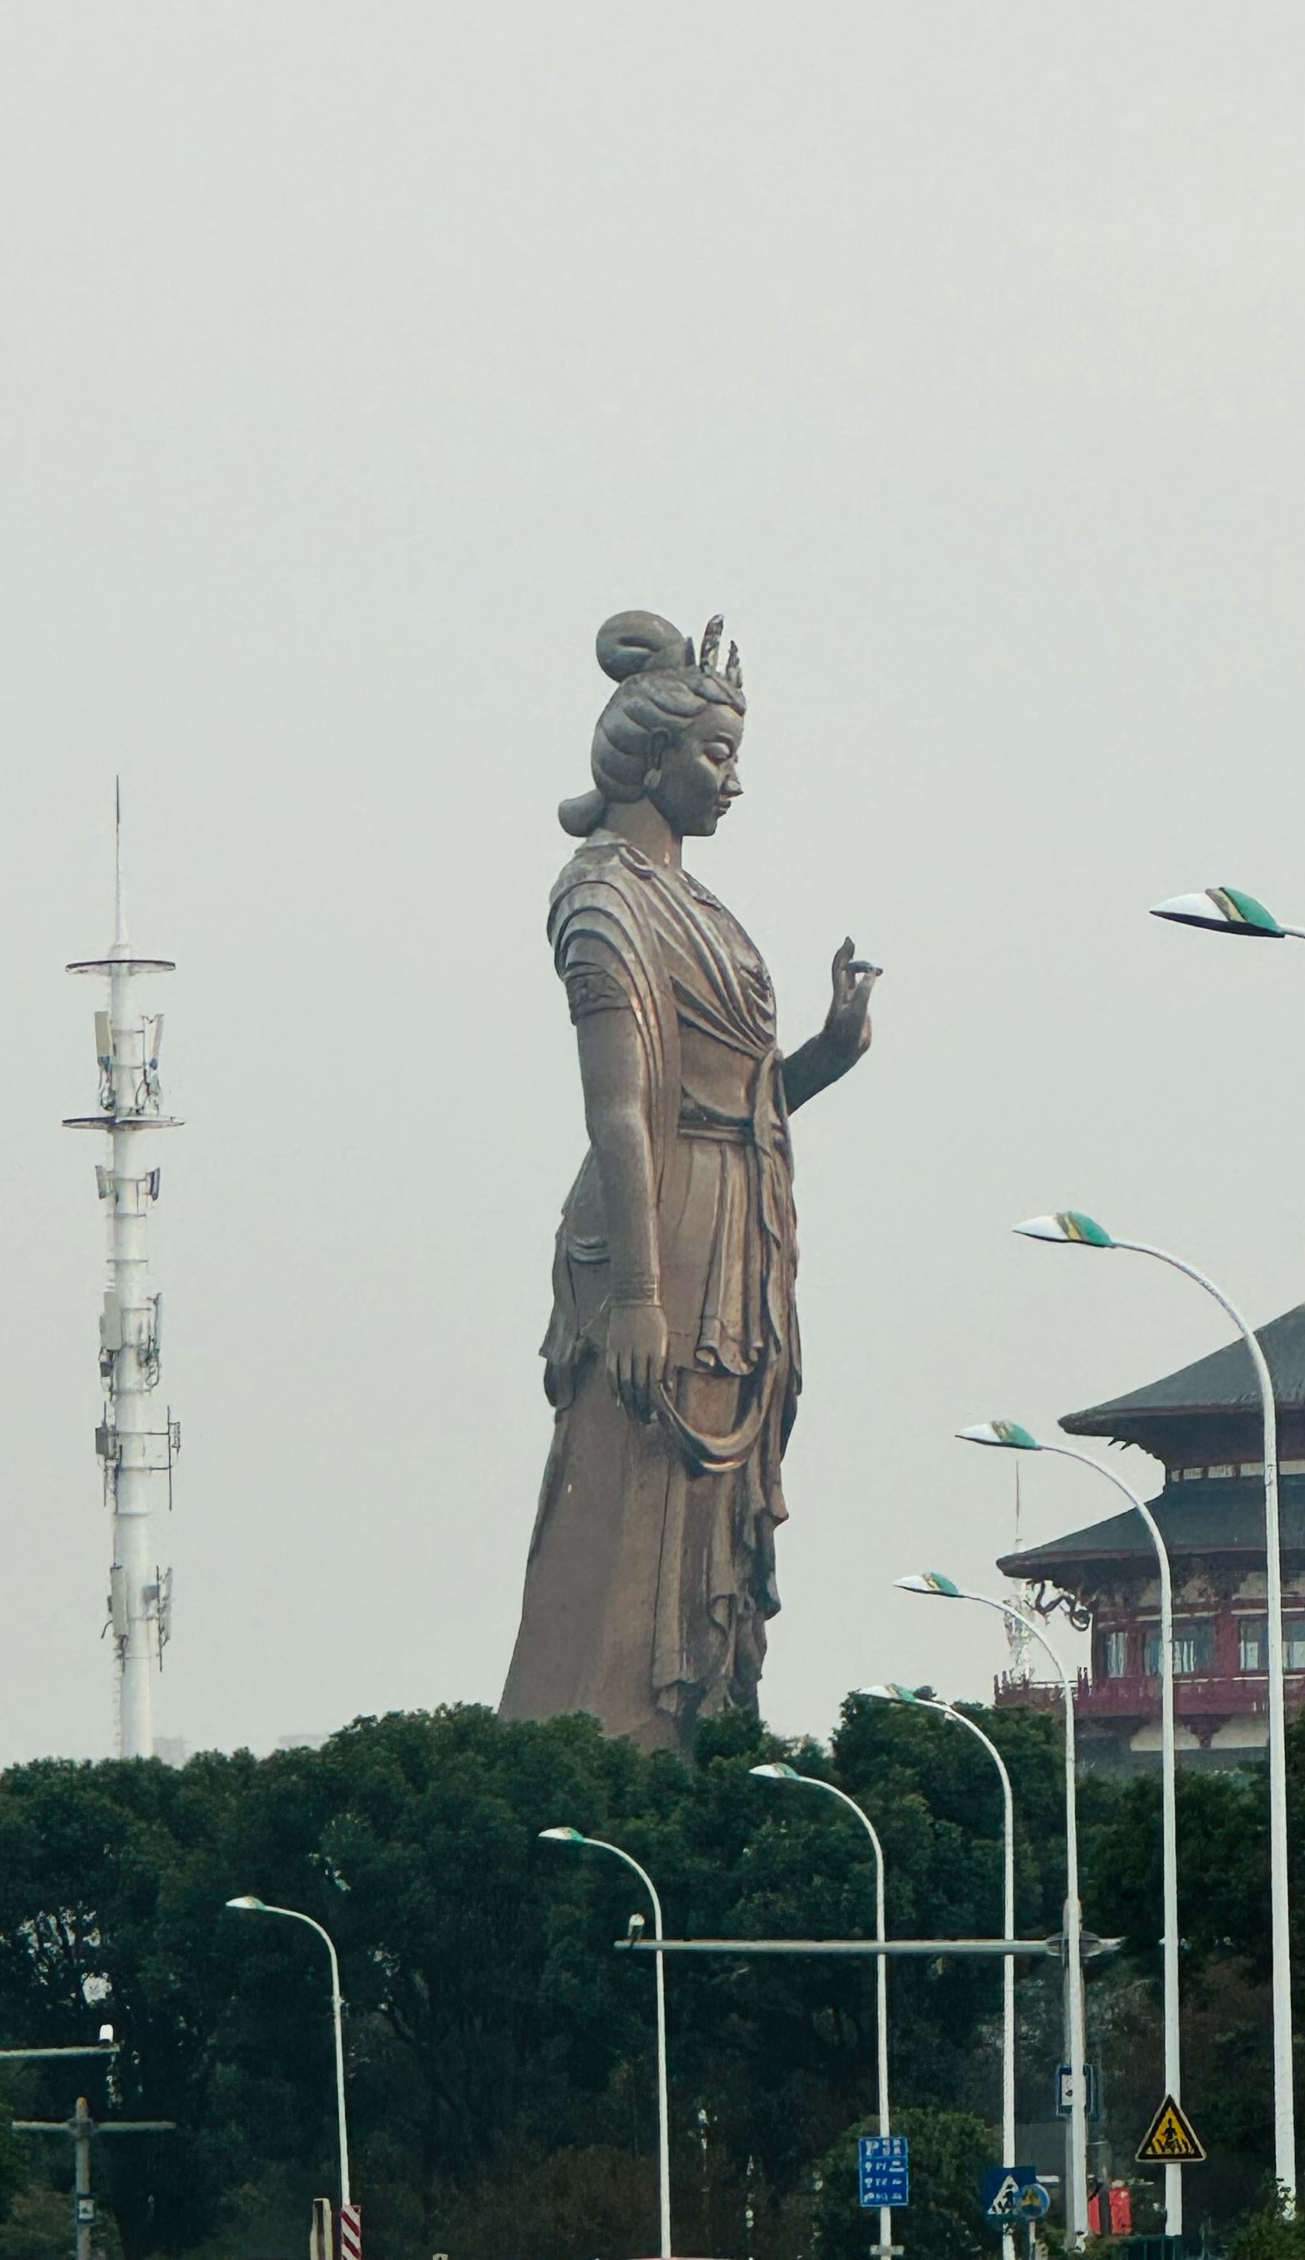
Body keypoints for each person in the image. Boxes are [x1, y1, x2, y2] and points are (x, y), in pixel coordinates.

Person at [498, 609, 878, 1751]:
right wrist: (635, 1296)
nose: (729, 784)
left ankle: (694, 1733)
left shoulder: (700, 905)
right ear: (647, 758)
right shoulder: (603, 900)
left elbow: (737, 1092)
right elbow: (620, 1105)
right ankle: (591, 1745)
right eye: (714, 758)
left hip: (737, 1227)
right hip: (655, 1232)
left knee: (711, 1512)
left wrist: (819, 1057)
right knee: (628, 1493)